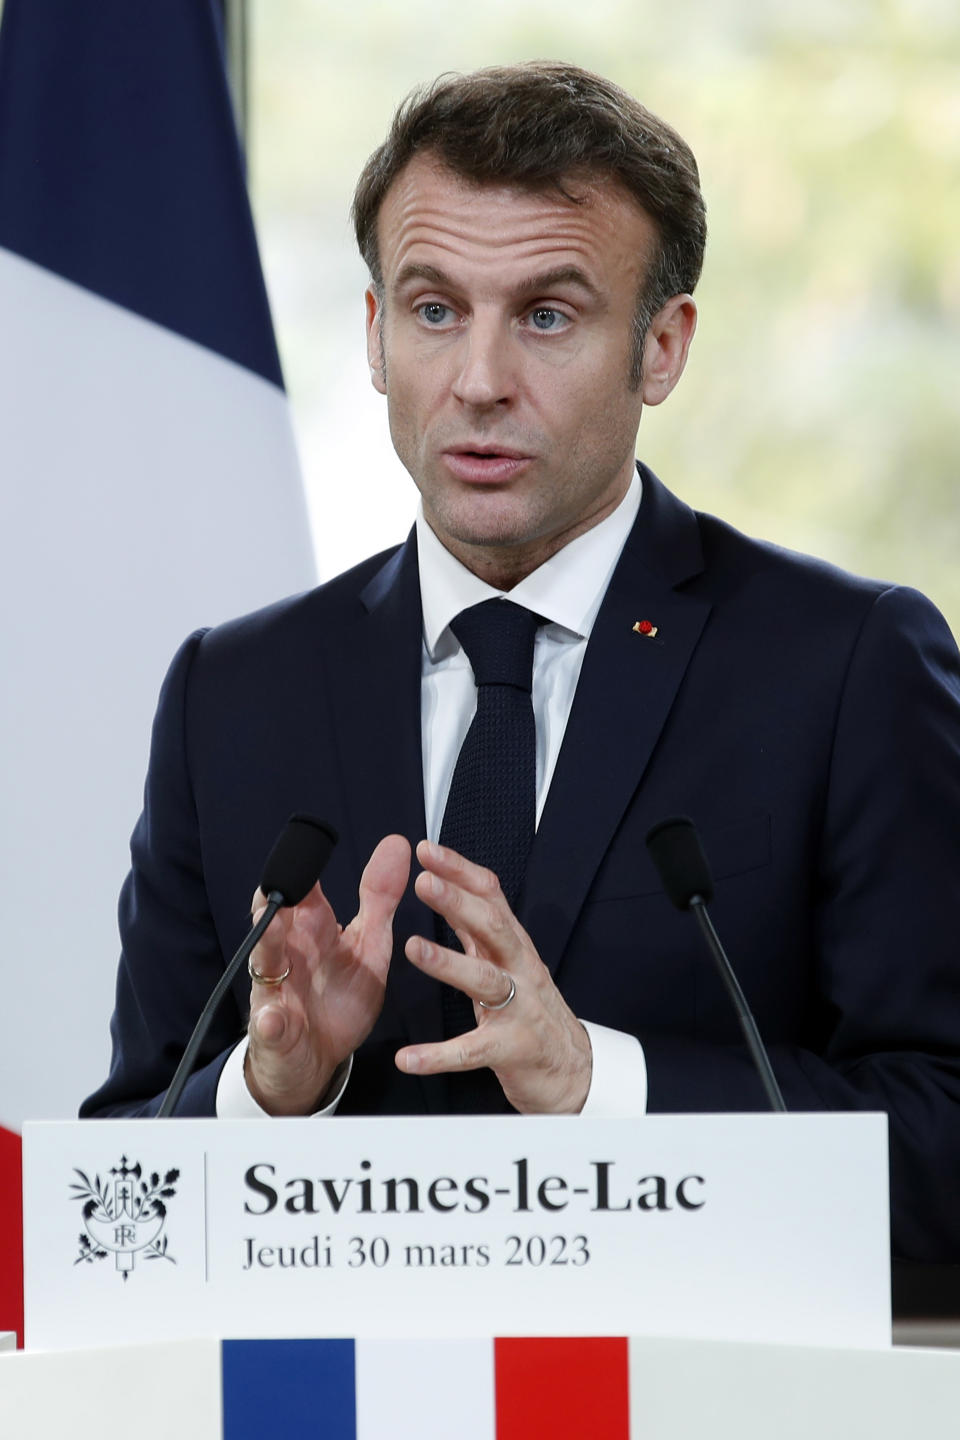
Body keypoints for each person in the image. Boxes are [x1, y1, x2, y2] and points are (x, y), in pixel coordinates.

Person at [82, 62, 960, 1261]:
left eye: (547, 315)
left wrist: (602, 1083)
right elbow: (118, 1188)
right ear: (379, 337)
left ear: (661, 346)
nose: (480, 380)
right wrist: (271, 1091)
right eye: (436, 309)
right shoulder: (231, 694)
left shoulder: (850, 665)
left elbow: (946, 1145)